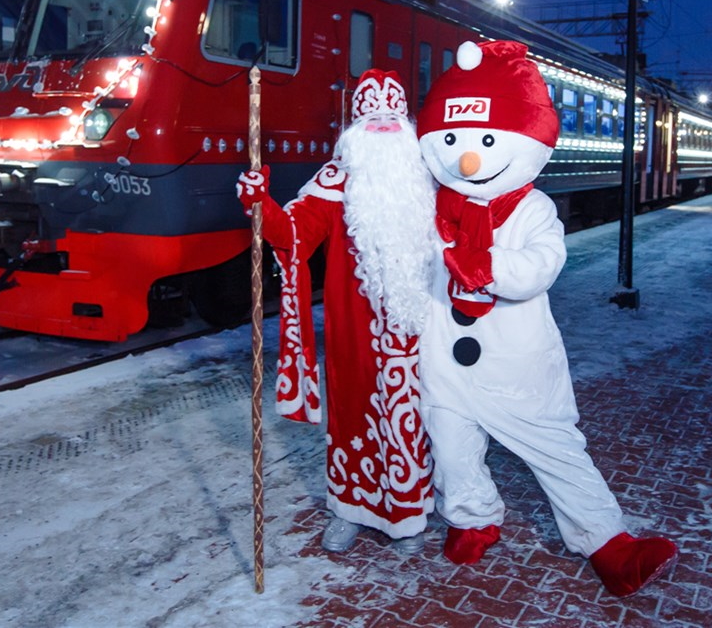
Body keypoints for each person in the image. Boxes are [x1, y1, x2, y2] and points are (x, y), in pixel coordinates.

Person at [416, 40, 678, 597]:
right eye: (455, 140)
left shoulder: (533, 208)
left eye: (487, 141)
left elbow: (542, 265)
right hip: (444, 363)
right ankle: (472, 517)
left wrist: (486, 266)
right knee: (452, 448)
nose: (469, 158)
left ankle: (607, 542)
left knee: (555, 450)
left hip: (517, 366)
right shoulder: (431, 207)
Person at [236, 69, 438, 554]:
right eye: (374, 117)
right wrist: (260, 202)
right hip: (353, 332)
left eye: (394, 115)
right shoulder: (335, 178)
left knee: (417, 420)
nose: (385, 125)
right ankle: (349, 509)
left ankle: (408, 517)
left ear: (406, 122)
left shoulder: (426, 174)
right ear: (355, 127)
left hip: (420, 329)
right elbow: (293, 234)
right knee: (350, 418)